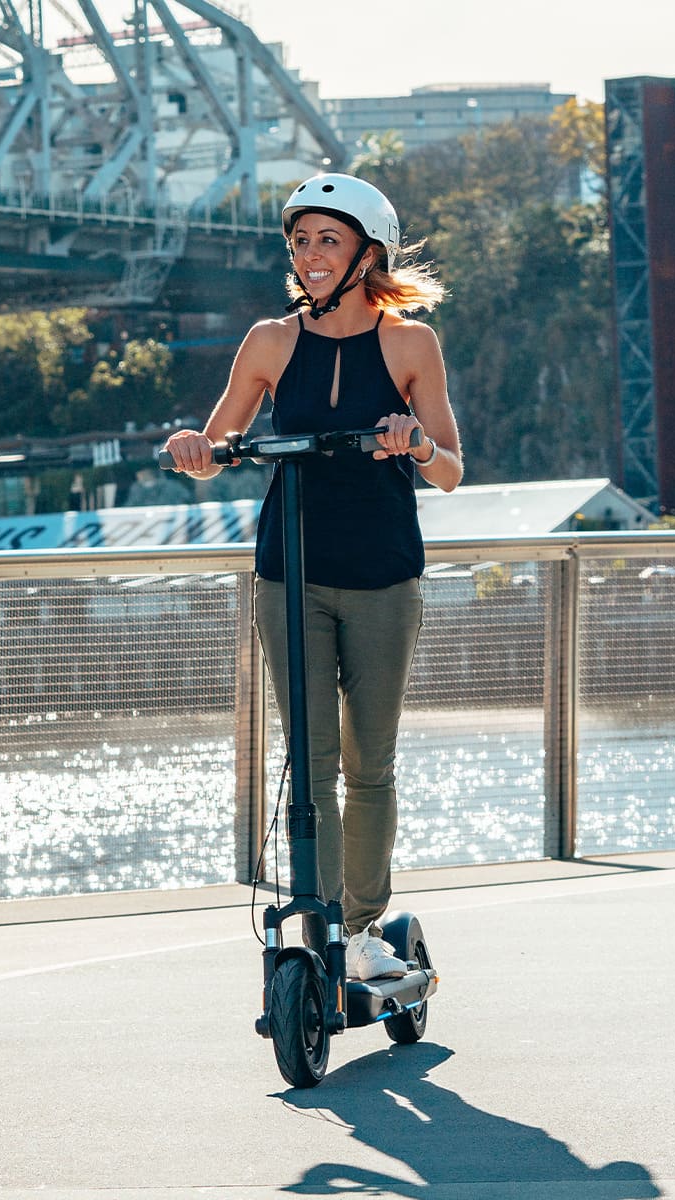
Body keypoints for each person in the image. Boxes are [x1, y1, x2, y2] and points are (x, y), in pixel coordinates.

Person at [162, 172, 462, 980]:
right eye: (300, 240)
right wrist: (194, 449)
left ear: (369, 252)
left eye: (328, 239)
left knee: (370, 763)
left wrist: (415, 444)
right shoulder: (268, 341)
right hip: (288, 575)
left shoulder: (410, 344)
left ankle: (361, 930)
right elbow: (217, 447)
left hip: (384, 575)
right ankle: (322, 920)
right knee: (310, 757)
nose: (310, 254)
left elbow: (450, 472)